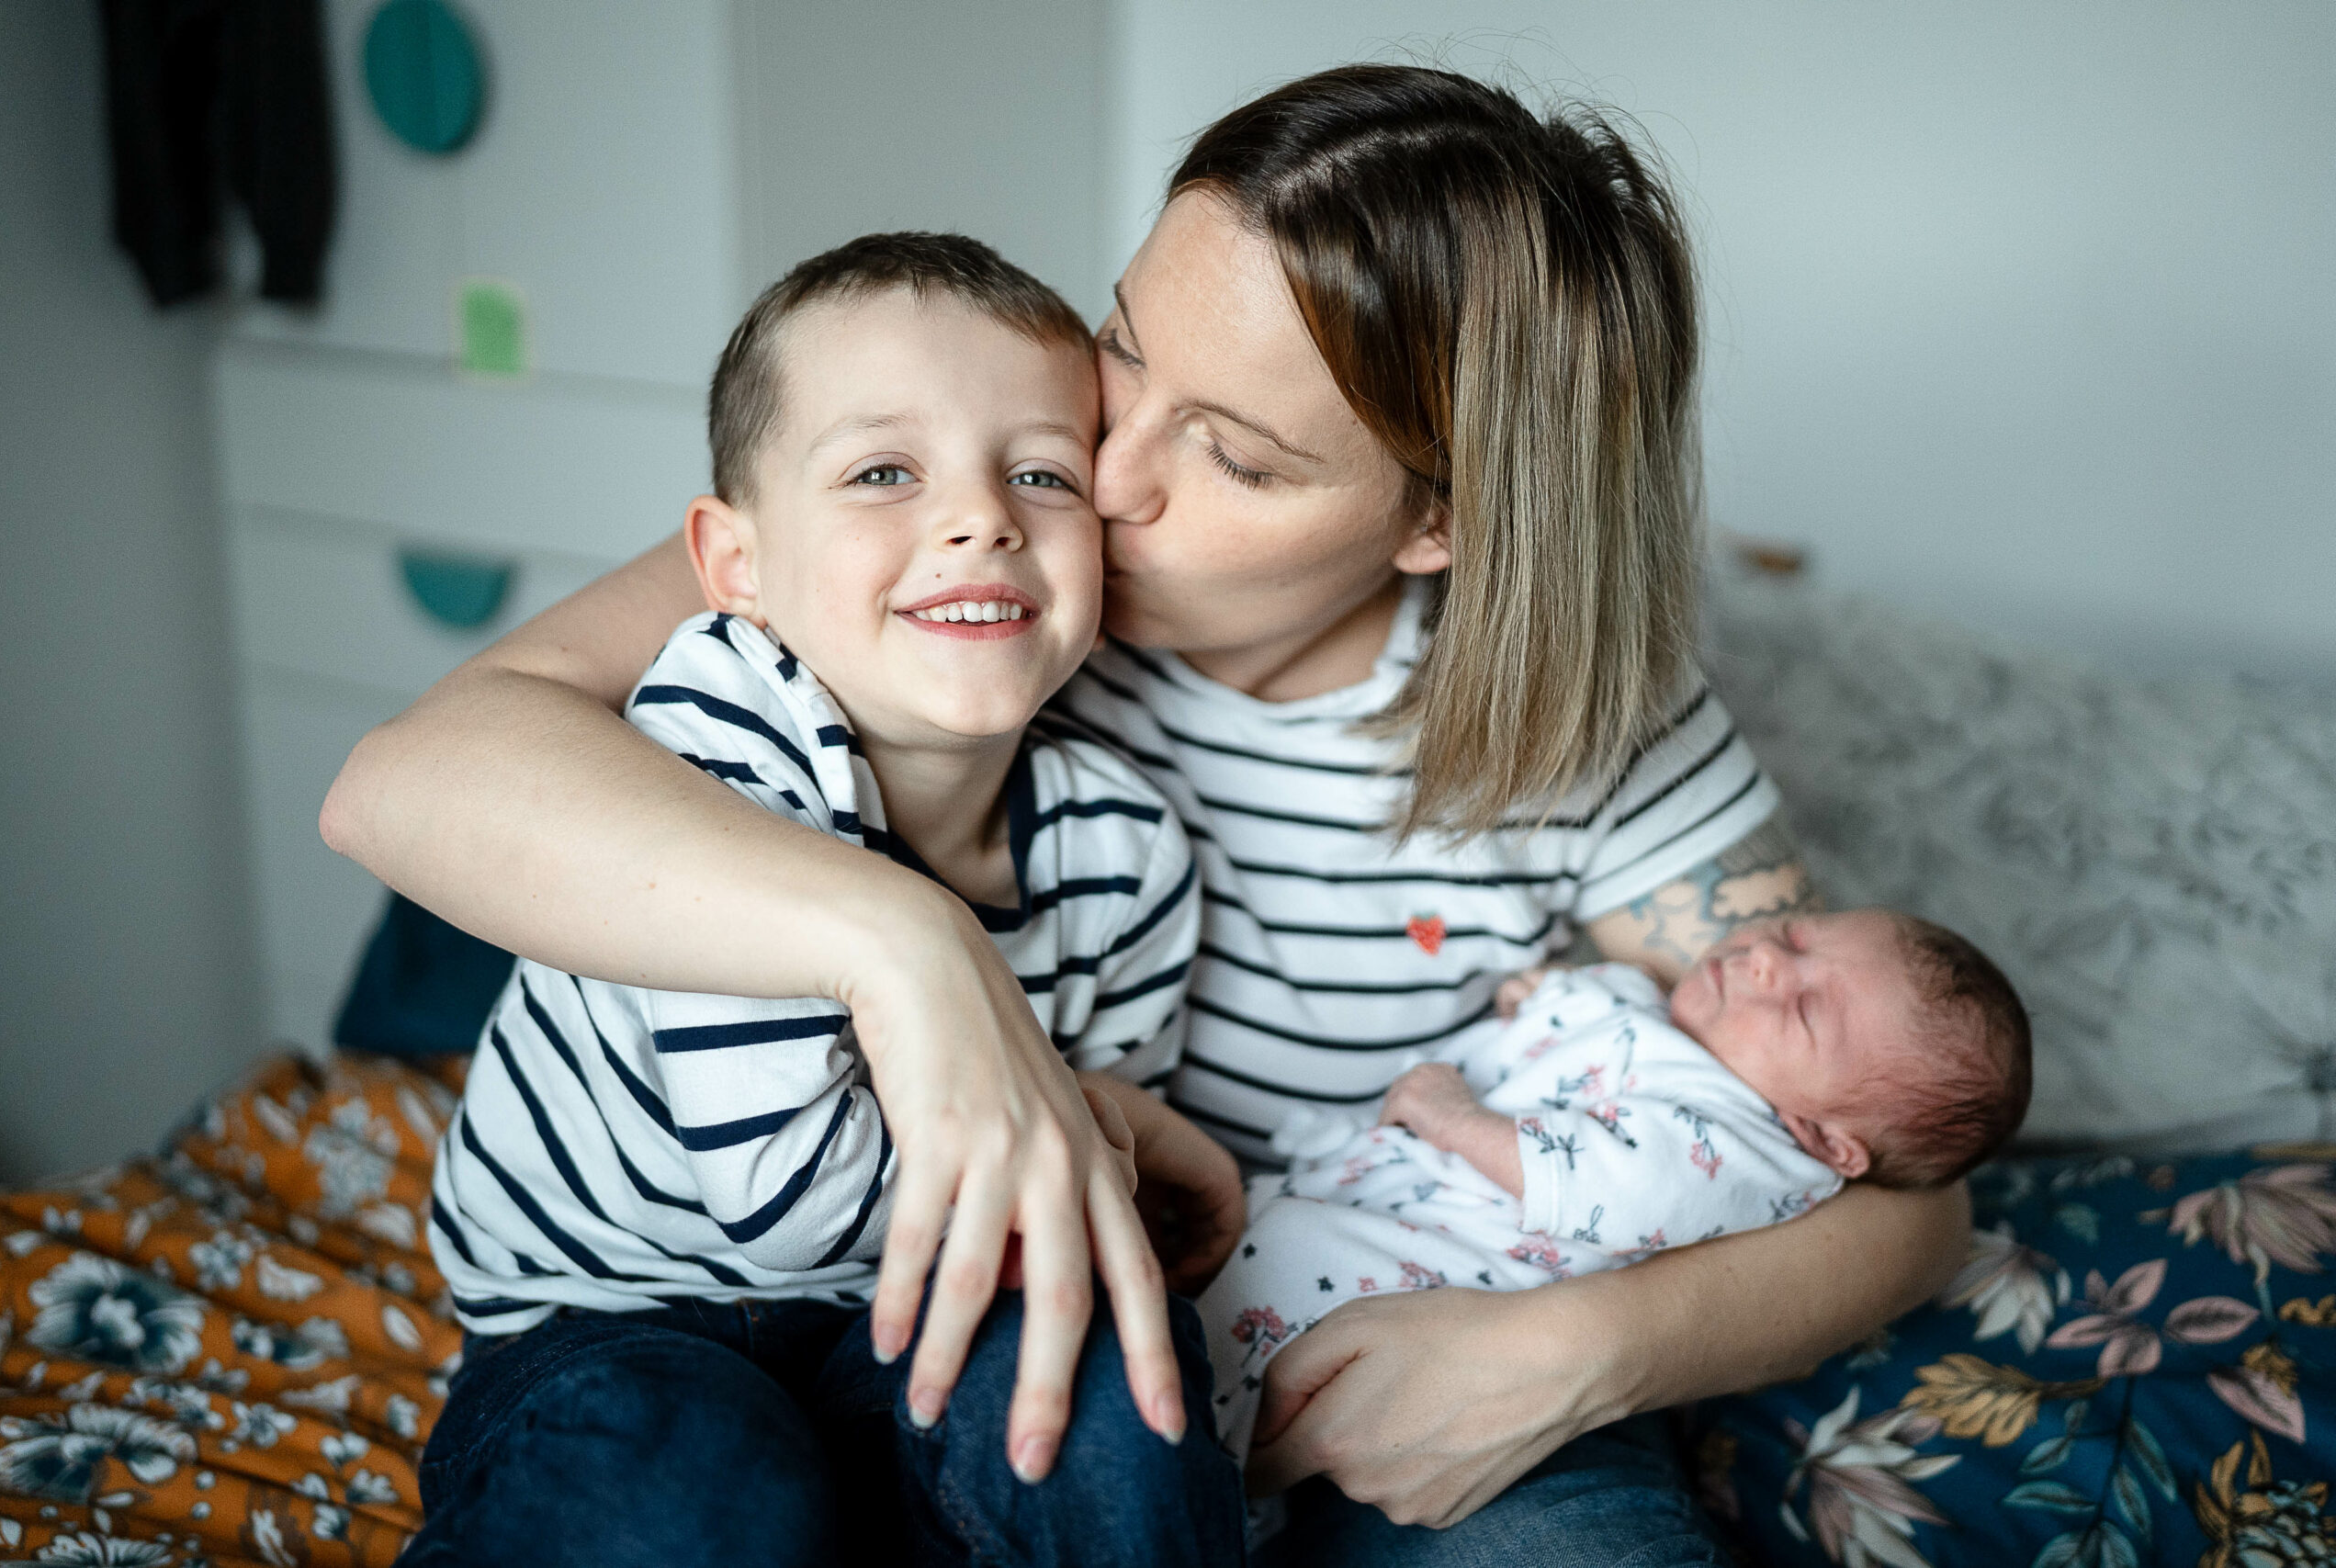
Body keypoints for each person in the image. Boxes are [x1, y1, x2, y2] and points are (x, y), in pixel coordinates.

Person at [325, 64, 1973, 1566]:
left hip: (1366, 1349)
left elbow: (1902, 1188)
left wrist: (1556, 1359)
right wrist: (903, 943)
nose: (1101, 476)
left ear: (1436, 518)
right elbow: (414, 775)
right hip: (910, 1289)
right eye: (1126, 344)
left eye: (1236, 456)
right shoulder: (976, 570)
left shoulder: (1588, 726)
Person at [404, 233, 1243, 1566]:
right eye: (882, 473)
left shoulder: (1126, 850)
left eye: (1041, 471)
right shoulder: (713, 742)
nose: (982, 519)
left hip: (905, 1325)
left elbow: (1075, 1192)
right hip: (618, 1317)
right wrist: (1082, 1143)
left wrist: (1095, 1153)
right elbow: (791, 1193)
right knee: (677, 1476)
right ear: (734, 564)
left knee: (1103, 1384)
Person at [1200, 909, 2032, 1461]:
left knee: (1227, 1361)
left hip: (1403, 1280)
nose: (1767, 959)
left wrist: (1456, 1118)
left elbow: (1607, 1185)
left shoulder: (1746, 1147)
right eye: (1795, 933)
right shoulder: (1681, 1025)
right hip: (1342, 1200)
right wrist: (1545, 1002)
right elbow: (1585, 1040)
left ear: (1826, 1140)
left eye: (1808, 1010)